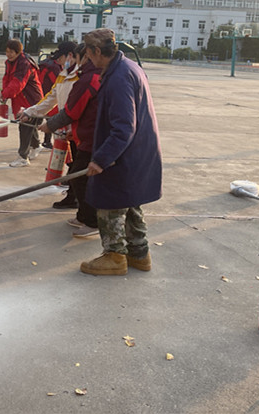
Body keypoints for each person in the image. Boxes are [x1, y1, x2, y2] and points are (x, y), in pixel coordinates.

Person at [79, 28, 163, 276]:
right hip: (137, 151)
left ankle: (114, 256)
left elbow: (124, 127)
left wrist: (101, 159)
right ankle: (139, 253)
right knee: (130, 201)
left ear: (97, 51)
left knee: (110, 204)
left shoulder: (118, 78)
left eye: (88, 53)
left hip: (123, 153)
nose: (87, 58)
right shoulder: (128, 67)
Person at [40, 44, 102, 237]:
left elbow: (72, 110)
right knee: (78, 175)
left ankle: (92, 221)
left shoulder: (88, 79)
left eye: (77, 57)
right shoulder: (85, 76)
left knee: (79, 177)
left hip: (91, 137)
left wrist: (50, 125)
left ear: (85, 57)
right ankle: (83, 216)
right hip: (83, 134)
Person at [18, 41, 82, 209]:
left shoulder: (81, 76)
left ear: (70, 56)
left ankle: (77, 200)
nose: (58, 62)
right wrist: (30, 112)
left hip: (80, 129)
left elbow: (75, 107)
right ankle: (73, 196)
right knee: (74, 163)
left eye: (60, 58)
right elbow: (50, 99)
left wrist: (52, 124)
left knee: (79, 165)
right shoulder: (63, 75)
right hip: (69, 128)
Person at [0, 39, 43, 168]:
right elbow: (7, 79)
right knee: (29, 125)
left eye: (11, 52)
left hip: (31, 100)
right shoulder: (10, 62)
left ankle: (23, 158)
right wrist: (4, 93)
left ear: (18, 52)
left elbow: (18, 83)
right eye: (7, 51)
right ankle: (36, 146)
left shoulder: (24, 64)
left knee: (25, 126)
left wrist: (4, 94)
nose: (8, 54)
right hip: (21, 98)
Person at [37, 46, 64, 149]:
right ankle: (46, 142)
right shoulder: (54, 67)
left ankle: (41, 142)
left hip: (40, 93)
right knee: (51, 118)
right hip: (49, 95)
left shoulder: (45, 64)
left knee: (40, 119)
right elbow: (57, 82)